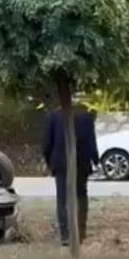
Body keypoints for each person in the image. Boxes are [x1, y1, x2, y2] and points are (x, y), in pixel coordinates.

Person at [41, 105, 100, 246]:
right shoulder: (86, 116)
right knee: (81, 196)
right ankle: (80, 231)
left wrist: (49, 161)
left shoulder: (53, 116)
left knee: (62, 199)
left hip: (61, 162)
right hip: (82, 161)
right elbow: (91, 141)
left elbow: (46, 143)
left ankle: (66, 235)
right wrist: (95, 160)